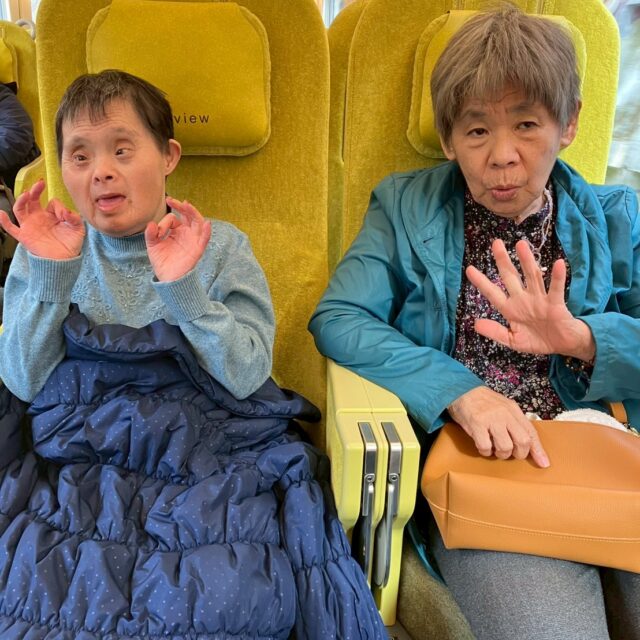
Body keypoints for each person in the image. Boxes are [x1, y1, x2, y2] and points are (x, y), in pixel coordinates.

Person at [309, 6, 640, 640]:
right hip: (489, 471)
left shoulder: (619, 216)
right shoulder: (404, 208)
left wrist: (582, 339)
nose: (502, 157)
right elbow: (341, 316)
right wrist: (459, 391)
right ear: (448, 139)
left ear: (569, 124)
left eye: (527, 125)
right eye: (478, 130)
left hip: (607, 459)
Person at [0, 69, 274, 402]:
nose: (101, 172)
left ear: (168, 156)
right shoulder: (44, 252)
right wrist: (52, 278)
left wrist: (185, 291)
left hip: (195, 427)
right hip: (78, 427)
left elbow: (248, 378)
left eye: (121, 151)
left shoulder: (222, 246)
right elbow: (22, 383)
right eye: (80, 157)